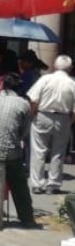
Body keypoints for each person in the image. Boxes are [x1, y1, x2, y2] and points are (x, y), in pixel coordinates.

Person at [0, 73, 37, 230]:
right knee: (19, 184)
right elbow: (25, 131)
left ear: (2, 85)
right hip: (12, 151)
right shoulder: (23, 104)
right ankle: (27, 219)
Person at [26, 55, 75, 195]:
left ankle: (37, 183)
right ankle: (53, 184)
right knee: (58, 152)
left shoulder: (45, 79)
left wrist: (33, 114)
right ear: (70, 69)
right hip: (63, 117)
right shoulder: (72, 83)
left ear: (54, 66)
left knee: (38, 150)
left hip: (43, 114)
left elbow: (33, 99)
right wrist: (69, 121)